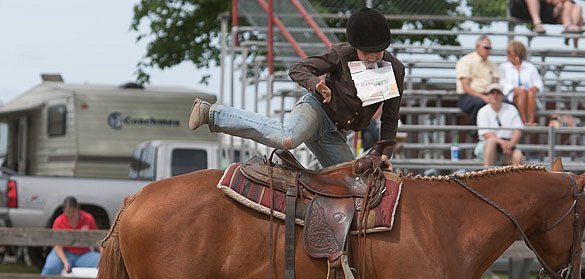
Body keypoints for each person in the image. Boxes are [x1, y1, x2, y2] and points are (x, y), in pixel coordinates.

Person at [188, 7, 404, 168]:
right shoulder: (340, 54)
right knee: (287, 138)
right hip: (316, 111)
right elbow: (297, 69)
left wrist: (383, 151)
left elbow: (391, 116)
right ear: (355, 47)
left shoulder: (394, 69)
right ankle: (214, 113)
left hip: (336, 134)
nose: (374, 57)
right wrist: (316, 86)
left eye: (379, 51)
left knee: (350, 184)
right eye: (367, 53)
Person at [27, 197, 101, 279]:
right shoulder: (59, 221)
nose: (70, 215)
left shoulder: (88, 219)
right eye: (67, 212)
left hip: (83, 254)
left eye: (72, 212)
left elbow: (97, 239)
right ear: (64, 210)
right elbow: (57, 245)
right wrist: (65, 261)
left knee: (104, 263)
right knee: (50, 267)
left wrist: (104, 253)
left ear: (78, 209)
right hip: (63, 253)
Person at [475, 83, 524, 167]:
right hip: (487, 144)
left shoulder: (511, 109)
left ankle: (514, 179)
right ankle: (487, 174)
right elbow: (487, 135)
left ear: (502, 96)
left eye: (498, 93)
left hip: (507, 143)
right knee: (491, 142)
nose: (495, 96)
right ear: (488, 96)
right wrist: (503, 143)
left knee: (518, 155)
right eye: (492, 93)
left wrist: (510, 144)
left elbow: (518, 130)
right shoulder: (483, 111)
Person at [455, 36, 500, 125]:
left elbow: (495, 84)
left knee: (506, 103)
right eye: (486, 48)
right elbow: (466, 87)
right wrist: (484, 97)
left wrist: (493, 96)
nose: (488, 50)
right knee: (480, 103)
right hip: (468, 96)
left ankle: (502, 134)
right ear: (477, 47)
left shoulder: (492, 64)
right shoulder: (466, 61)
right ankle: (476, 132)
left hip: (488, 95)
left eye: (490, 48)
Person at [499, 40, 543, 126]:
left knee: (530, 93)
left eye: (509, 52)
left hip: (529, 96)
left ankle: (530, 122)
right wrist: (513, 88)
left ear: (517, 53)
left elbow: (538, 83)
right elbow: (502, 83)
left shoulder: (530, 67)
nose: (507, 55)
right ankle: (523, 121)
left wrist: (535, 88)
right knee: (522, 92)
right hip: (512, 96)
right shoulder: (504, 67)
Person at [510, 0, 585, 38]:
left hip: (547, 11)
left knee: (575, 7)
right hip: (522, 7)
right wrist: (556, 3)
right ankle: (537, 24)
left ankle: (569, 28)